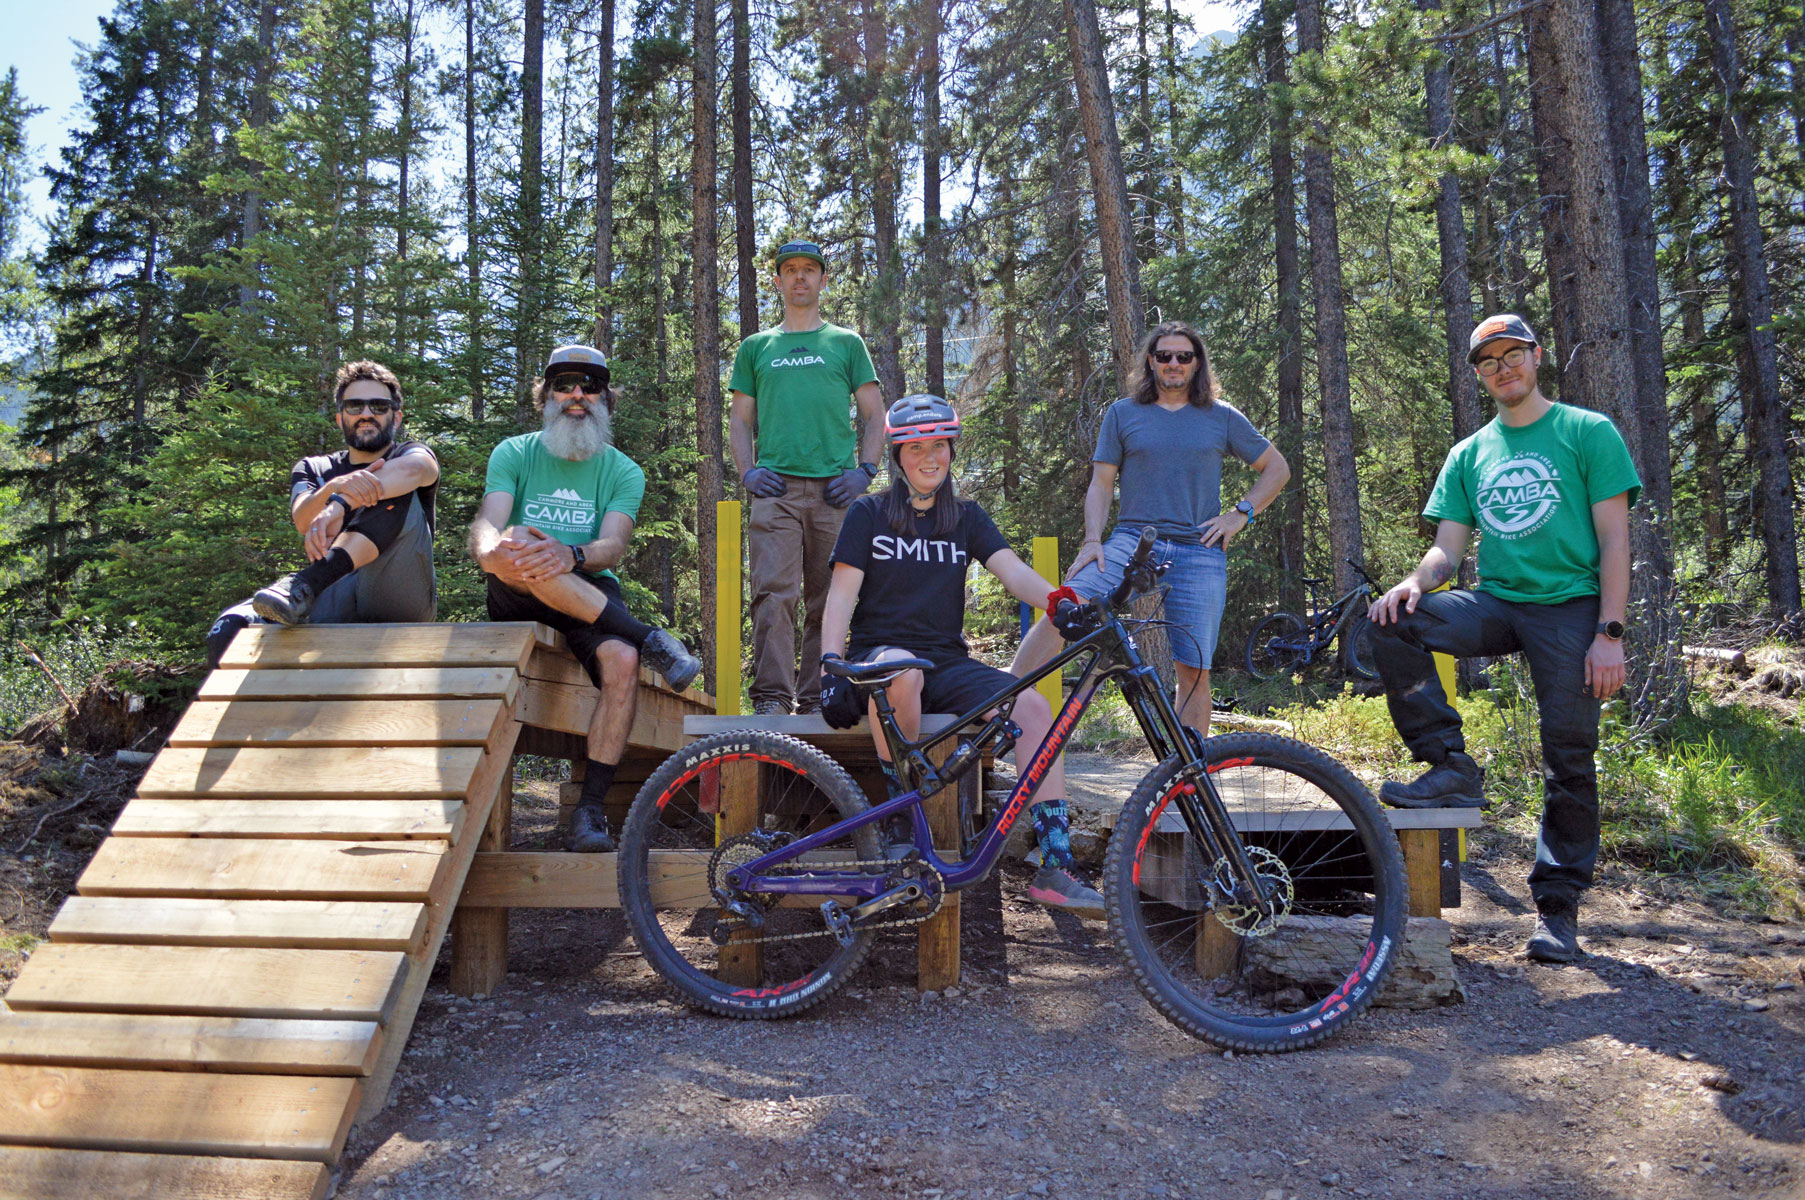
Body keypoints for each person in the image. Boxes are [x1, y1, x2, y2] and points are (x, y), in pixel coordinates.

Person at [1367, 313, 1640, 964]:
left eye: (1510, 354)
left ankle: (1556, 909)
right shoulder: (1469, 454)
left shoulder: (1585, 433)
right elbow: (1446, 550)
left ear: (1535, 356)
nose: (1501, 368)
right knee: (1390, 620)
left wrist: (1609, 632)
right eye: (1487, 361)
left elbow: (1614, 540)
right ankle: (1450, 765)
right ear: (1479, 375)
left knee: (1567, 754)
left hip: (1571, 609)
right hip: (1496, 601)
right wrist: (1413, 582)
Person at [817, 394, 1106, 918]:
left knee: (1036, 710)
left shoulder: (966, 517)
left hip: (946, 660)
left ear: (952, 449)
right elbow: (840, 596)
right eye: (916, 448)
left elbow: (1012, 571)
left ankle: (1055, 866)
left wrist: (1059, 601)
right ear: (897, 456)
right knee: (902, 674)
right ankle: (900, 821)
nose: (930, 457)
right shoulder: (869, 512)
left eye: (940, 446)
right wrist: (830, 667)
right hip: (880, 654)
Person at [469, 344, 701, 853]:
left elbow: (612, 546)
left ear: (606, 400)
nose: (578, 395)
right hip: (516, 584)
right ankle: (652, 638)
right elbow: (491, 521)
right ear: (545, 395)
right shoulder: (514, 452)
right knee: (522, 543)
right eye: (565, 384)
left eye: (590, 386)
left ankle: (590, 811)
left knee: (621, 658)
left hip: (585, 582)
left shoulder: (623, 471)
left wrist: (570, 553)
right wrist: (493, 551)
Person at [1010, 320, 1289, 737]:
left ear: (1197, 364)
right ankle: (1001, 702)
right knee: (1064, 605)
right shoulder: (1123, 413)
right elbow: (1101, 484)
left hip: (1199, 550)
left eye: (1183, 356)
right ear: (1150, 362)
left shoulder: (1221, 417)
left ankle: (1187, 785)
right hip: (1132, 540)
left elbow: (1277, 468)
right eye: (1164, 356)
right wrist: (1091, 541)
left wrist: (1240, 514)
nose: (1173, 363)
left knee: (1193, 669)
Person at [729, 239, 887, 716]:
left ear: (822, 279)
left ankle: (819, 697)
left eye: (809, 270)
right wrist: (748, 472)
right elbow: (739, 420)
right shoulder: (757, 347)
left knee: (831, 598)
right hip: (774, 492)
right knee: (773, 597)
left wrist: (865, 472)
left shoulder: (846, 342)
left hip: (836, 494)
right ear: (777, 281)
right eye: (790, 270)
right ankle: (773, 698)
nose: (800, 277)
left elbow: (875, 414)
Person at [204, 360, 440, 669]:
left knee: (392, 486)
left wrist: (340, 503)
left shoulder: (410, 454)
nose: (366, 414)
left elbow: (419, 470)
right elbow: (303, 519)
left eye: (378, 406)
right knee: (229, 627)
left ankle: (304, 583)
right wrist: (334, 487)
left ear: (395, 418)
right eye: (355, 406)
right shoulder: (314, 468)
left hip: (398, 590)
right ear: (340, 417)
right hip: (333, 593)